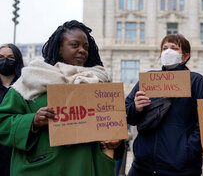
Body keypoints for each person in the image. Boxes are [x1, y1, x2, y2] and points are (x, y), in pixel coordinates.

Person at [0, 20, 122, 176]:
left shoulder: (99, 82)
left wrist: (116, 141)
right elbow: (3, 122)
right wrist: (32, 121)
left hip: (89, 168)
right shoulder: (31, 80)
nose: (82, 50)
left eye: (85, 47)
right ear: (59, 48)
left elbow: (113, 125)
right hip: (45, 169)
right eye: (74, 45)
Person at [126, 34, 203, 176]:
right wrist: (136, 107)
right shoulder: (148, 79)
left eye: (174, 48)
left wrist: (188, 152)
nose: (168, 52)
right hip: (142, 165)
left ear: (186, 56)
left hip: (180, 169)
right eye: (164, 48)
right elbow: (126, 115)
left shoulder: (196, 81)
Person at [0, 43, 24, 176]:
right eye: (1, 57)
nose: (5, 60)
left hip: (16, 147)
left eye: (10, 57)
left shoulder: (25, 86)